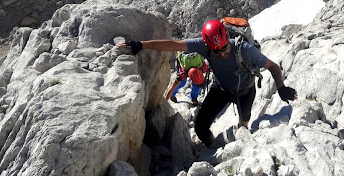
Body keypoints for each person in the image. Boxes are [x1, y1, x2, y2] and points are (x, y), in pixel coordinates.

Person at [119, 19, 297, 148]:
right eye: (216, 51)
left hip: (245, 91)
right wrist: (140, 45)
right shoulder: (203, 45)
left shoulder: (245, 50)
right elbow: (172, 44)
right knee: (200, 127)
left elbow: (272, 66)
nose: (221, 54)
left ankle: (240, 141)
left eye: (224, 48)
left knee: (244, 124)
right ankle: (215, 149)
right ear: (207, 45)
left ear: (228, 38)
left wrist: (281, 88)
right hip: (220, 89)